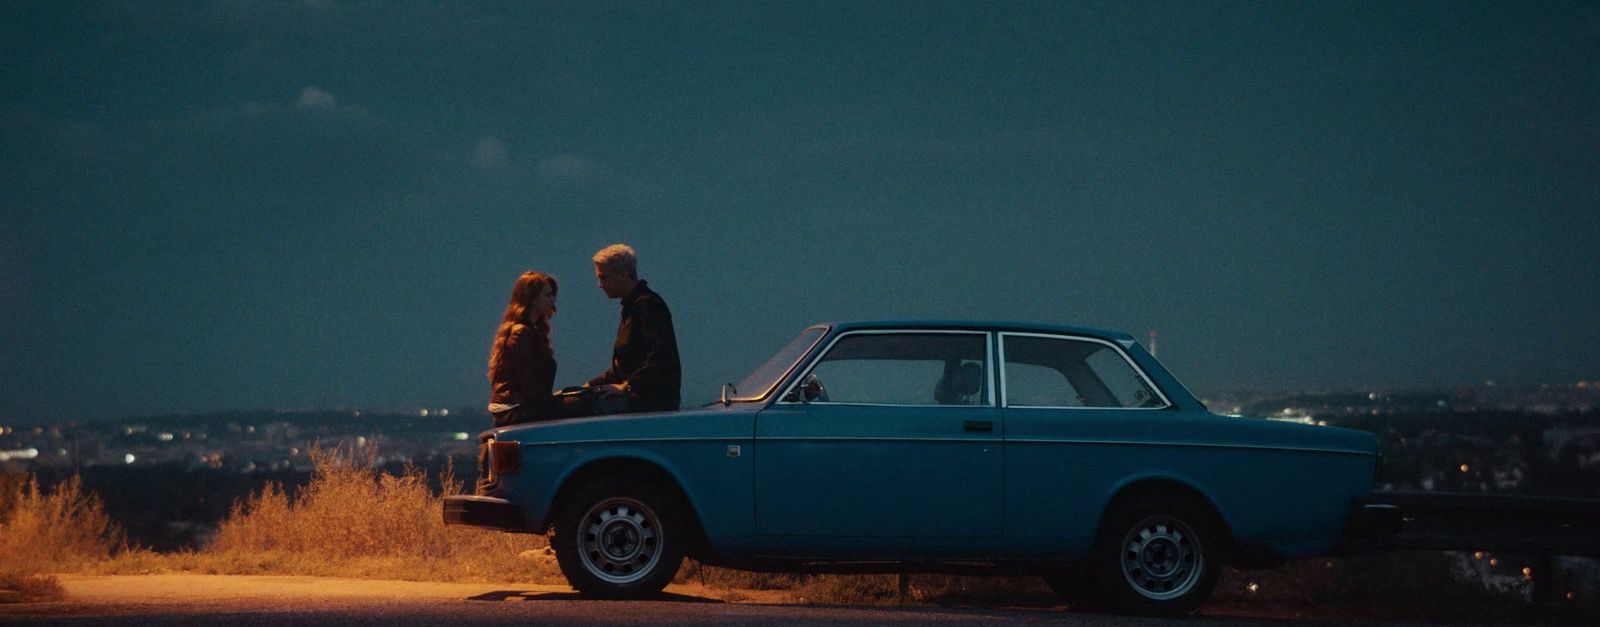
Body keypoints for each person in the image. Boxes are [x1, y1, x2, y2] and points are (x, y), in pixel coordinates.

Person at [585, 244, 681, 413]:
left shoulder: (648, 304)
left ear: (624, 274)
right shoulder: (633, 307)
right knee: (577, 400)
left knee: (580, 408)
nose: (600, 285)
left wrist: (628, 386)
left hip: (651, 400)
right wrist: (588, 387)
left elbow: (662, 354)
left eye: (604, 278)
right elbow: (623, 367)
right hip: (640, 395)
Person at [487, 271, 560, 427]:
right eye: (548, 295)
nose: (553, 300)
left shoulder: (530, 331)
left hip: (518, 407)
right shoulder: (522, 333)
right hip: (517, 410)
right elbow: (529, 385)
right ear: (533, 299)